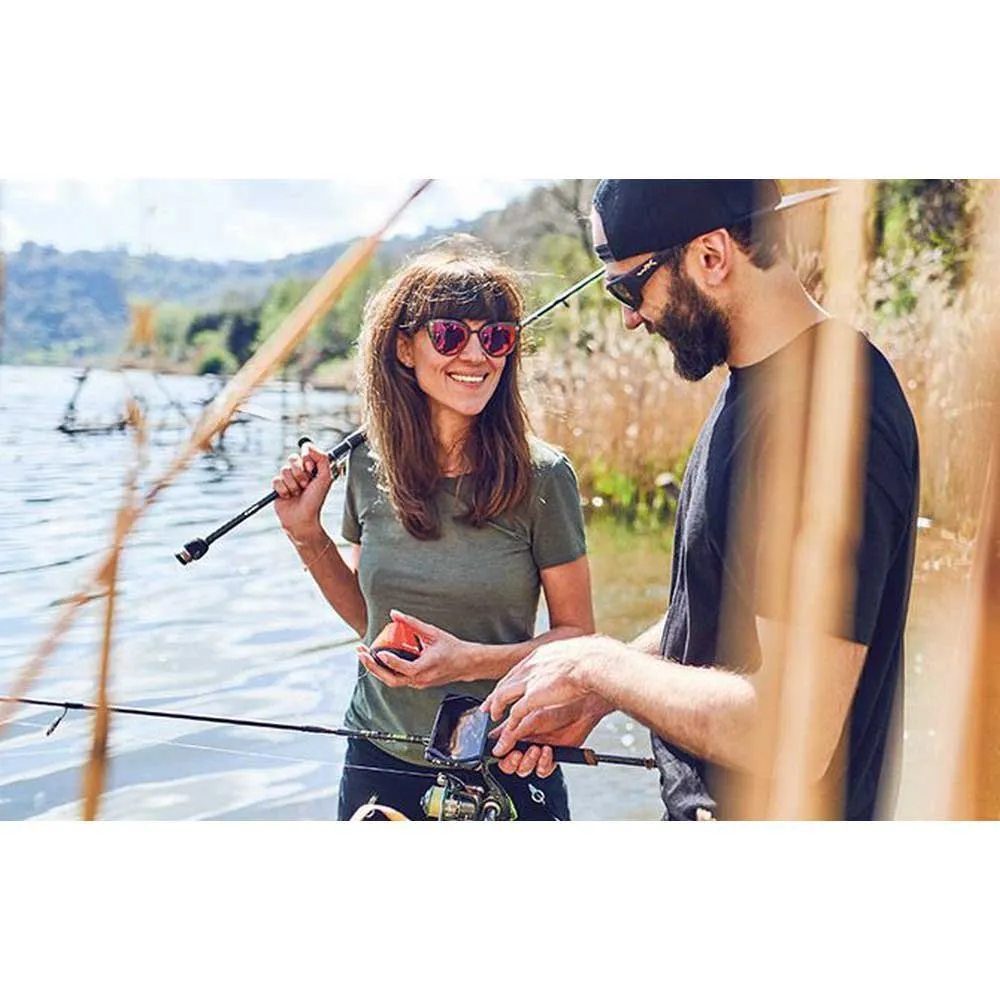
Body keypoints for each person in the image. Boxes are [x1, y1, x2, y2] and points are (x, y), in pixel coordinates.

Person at [483, 180, 920, 821]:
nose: (631, 317)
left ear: (711, 256)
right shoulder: (757, 387)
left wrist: (600, 666)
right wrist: (598, 691)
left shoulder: (826, 420)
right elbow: (715, 611)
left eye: (629, 288)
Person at [271, 239, 598, 820]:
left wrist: (468, 662)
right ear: (404, 347)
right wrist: (306, 535)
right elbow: (369, 619)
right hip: (377, 757)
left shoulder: (545, 476)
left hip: (506, 759)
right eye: (449, 335)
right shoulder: (366, 467)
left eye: (495, 337)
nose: (476, 355)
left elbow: (577, 639)